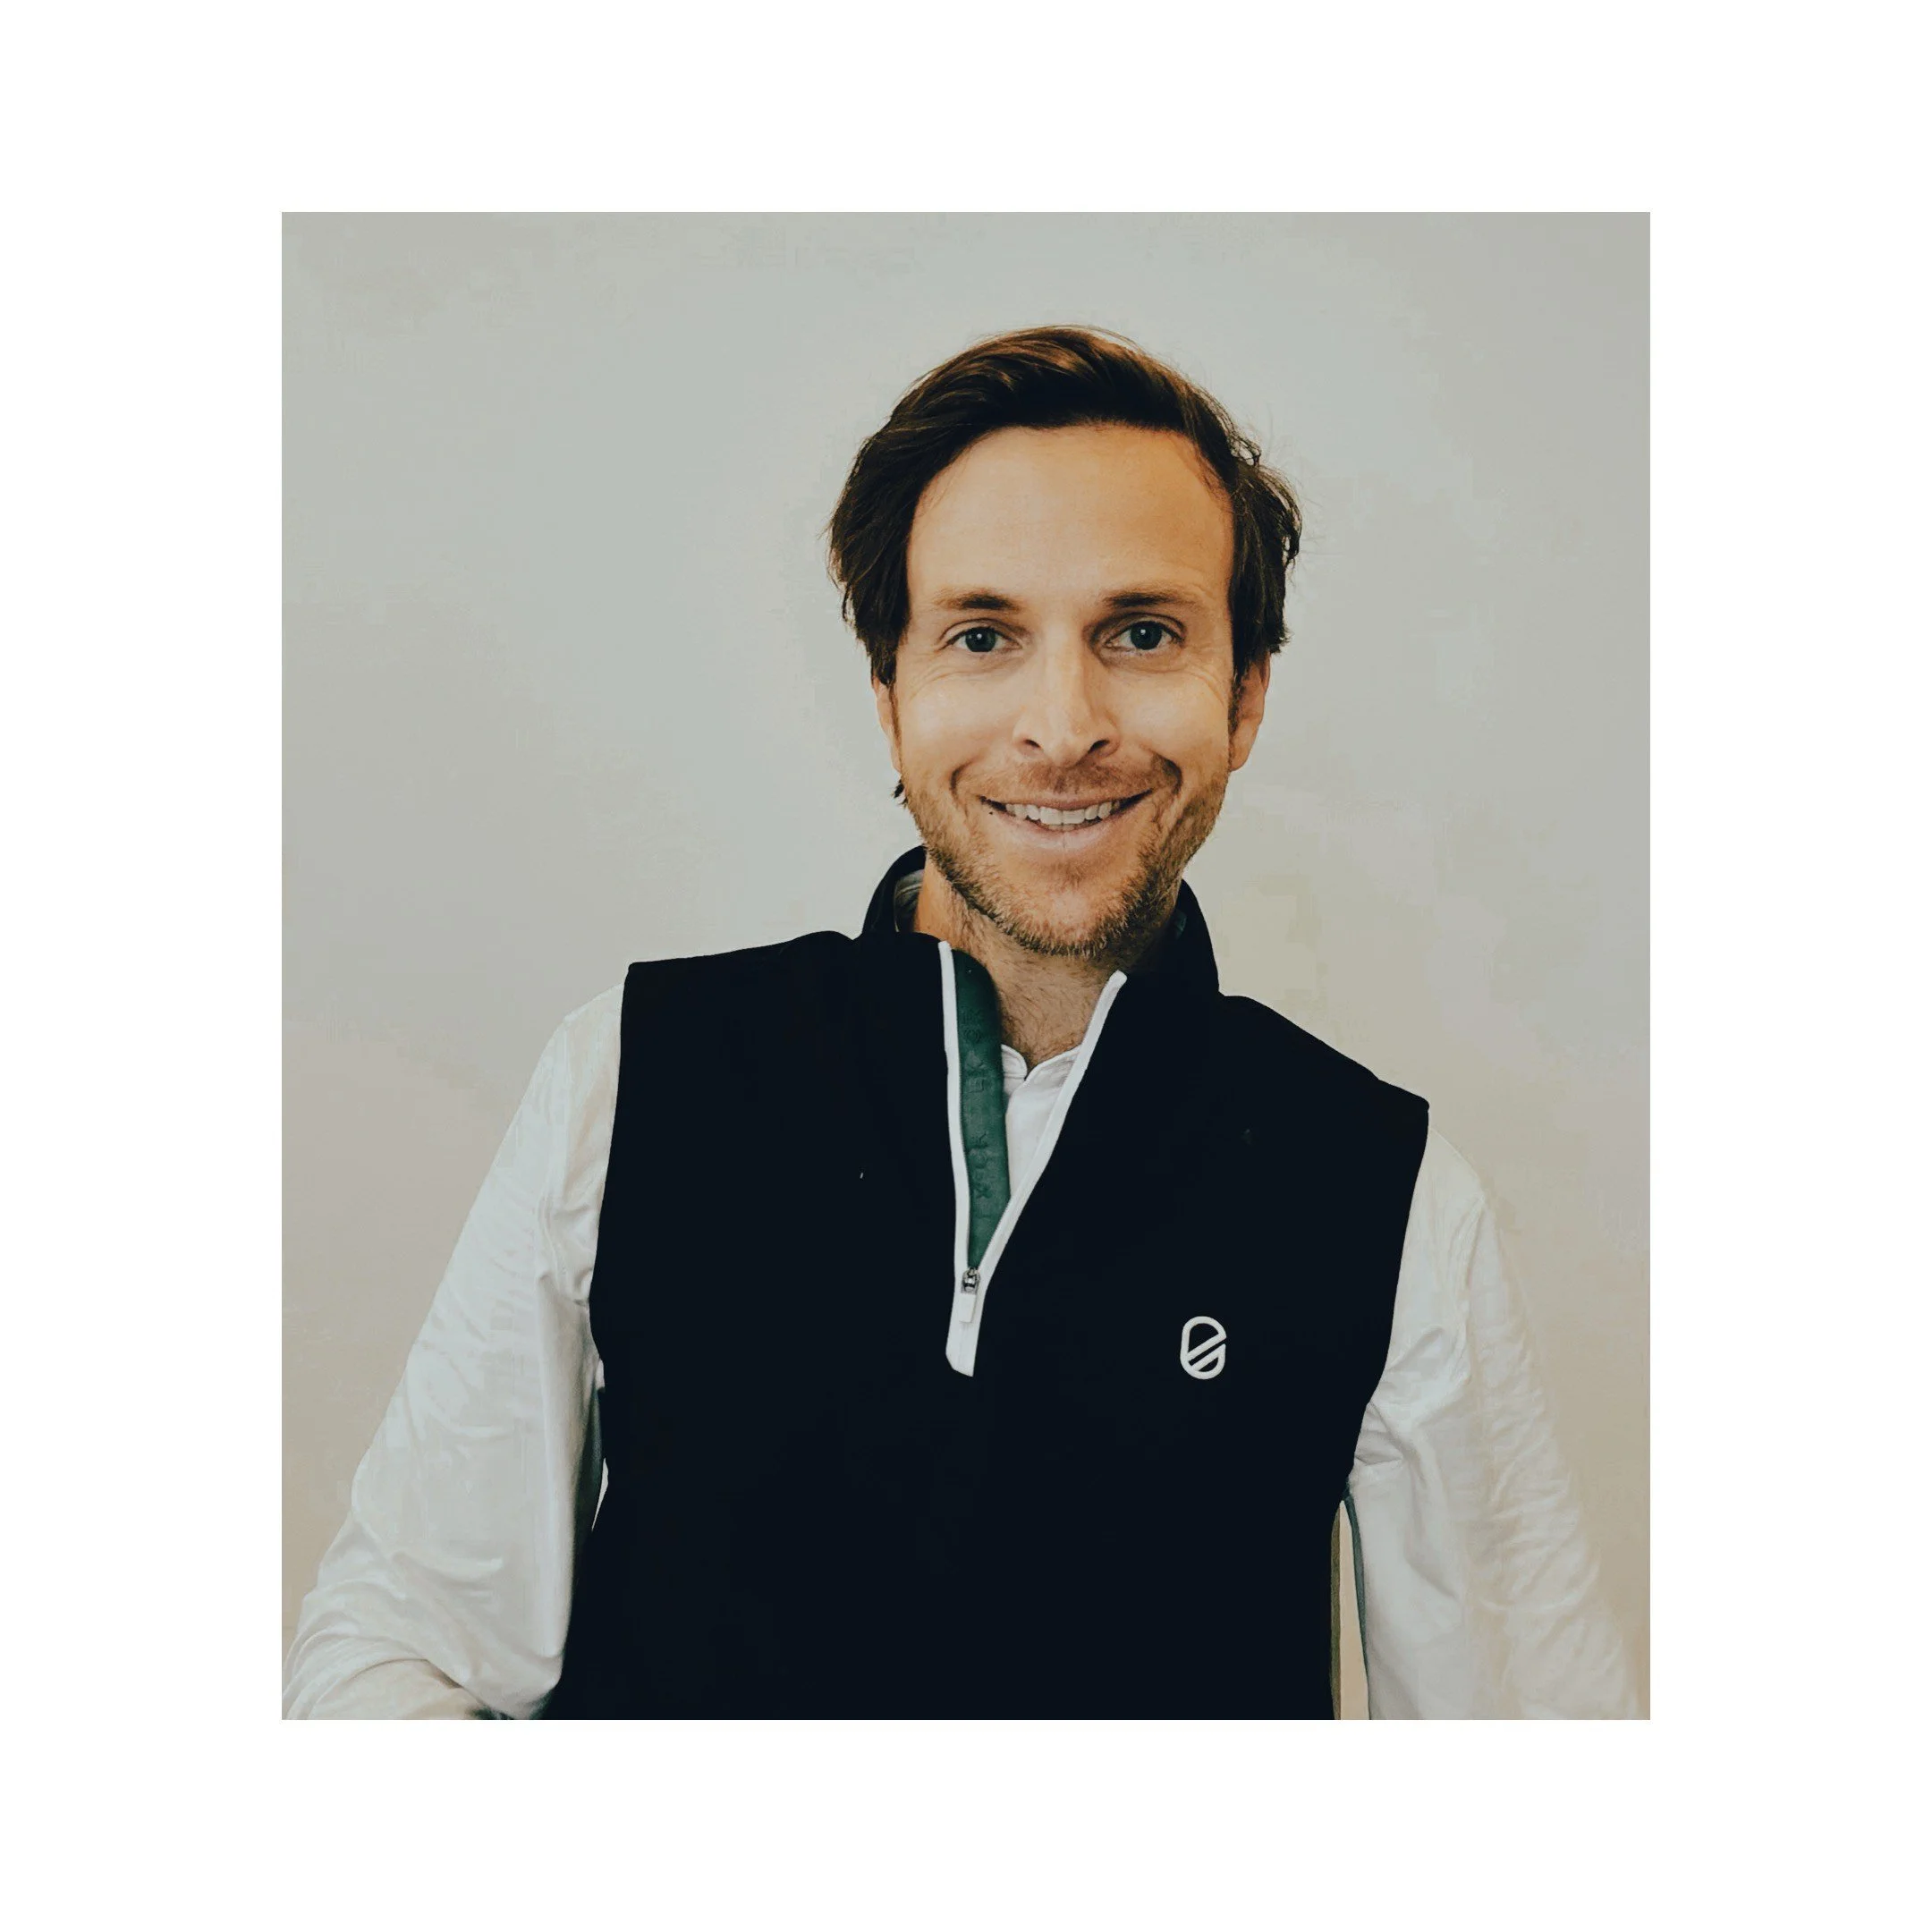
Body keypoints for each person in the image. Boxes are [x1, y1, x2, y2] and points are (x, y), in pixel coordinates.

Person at [284, 325, 1637, 1719]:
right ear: (891, 695)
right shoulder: (634, 1076)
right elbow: (403, 1650)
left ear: (1246, 697)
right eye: (984, 636)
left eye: (1145, 634)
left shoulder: (1384, 1190)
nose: (1063, 724)